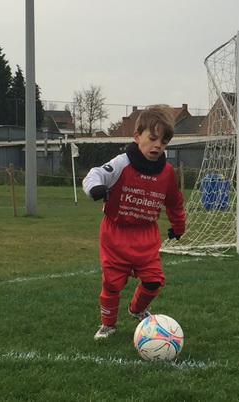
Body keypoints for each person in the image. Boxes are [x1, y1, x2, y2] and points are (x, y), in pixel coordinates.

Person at [83, 104, 185, 340]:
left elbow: (174, 202)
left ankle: (137, 309)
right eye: (152, 138)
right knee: (112, 284)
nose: (157, 145)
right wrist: (95, 189)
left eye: (164, 142)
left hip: (146, 236)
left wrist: (179, 226)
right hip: (115, 235)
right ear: (137, 136)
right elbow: (95, 174)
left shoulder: (167, 172)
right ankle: (108, 325)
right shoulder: (121, 163)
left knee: (154, 281)